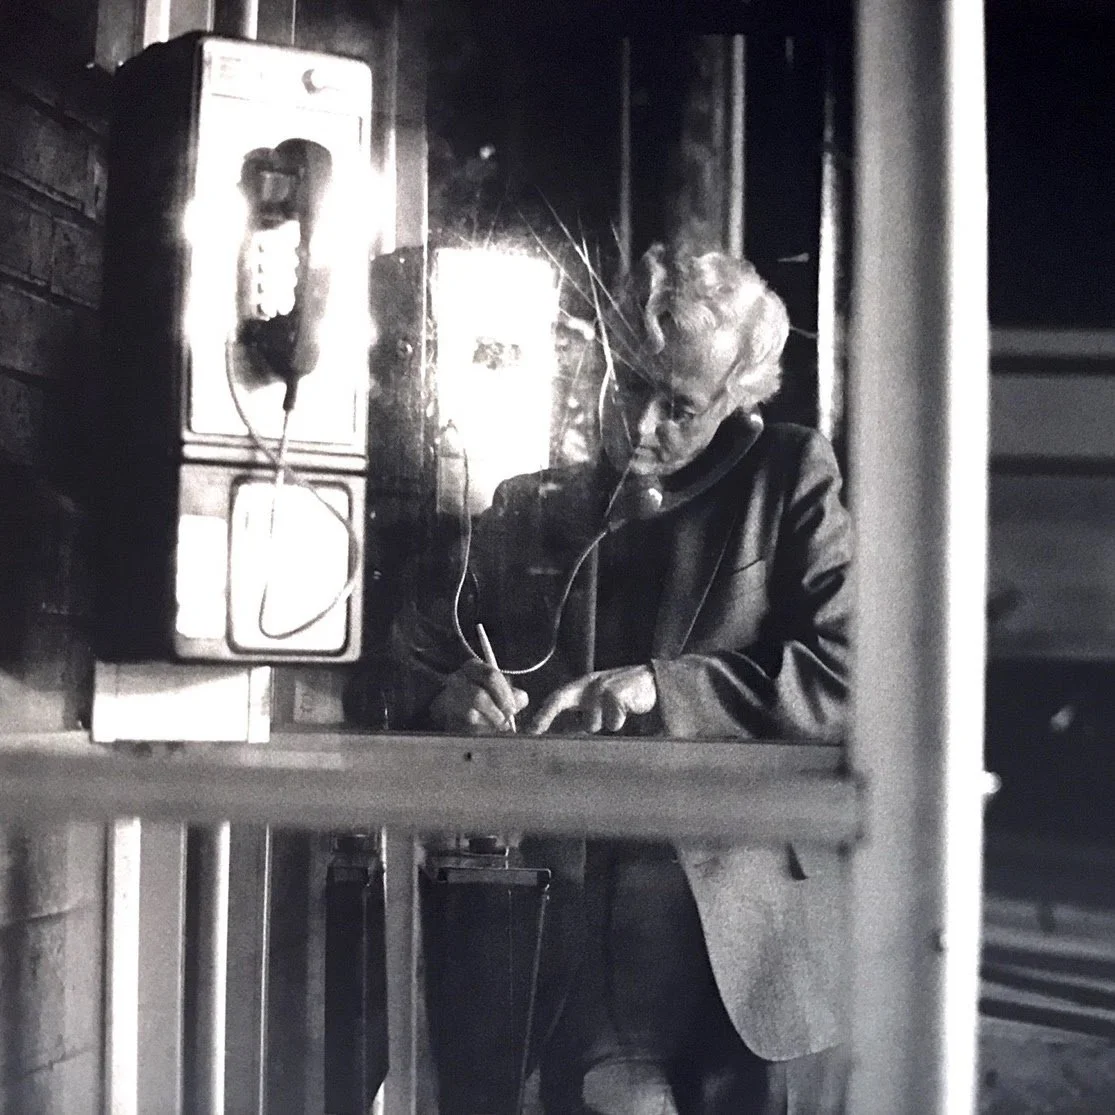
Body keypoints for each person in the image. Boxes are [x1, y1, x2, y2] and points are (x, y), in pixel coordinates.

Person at [394, 242, 852, 1114]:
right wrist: (446, 690)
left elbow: (851, 675)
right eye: (627, 386)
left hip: (720, 941)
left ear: (737, 398)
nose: (641, 427)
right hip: (541, 926)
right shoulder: (534, 505)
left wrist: (662, 687)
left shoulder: (786, 476)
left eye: (676, 406)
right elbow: (402, 655)